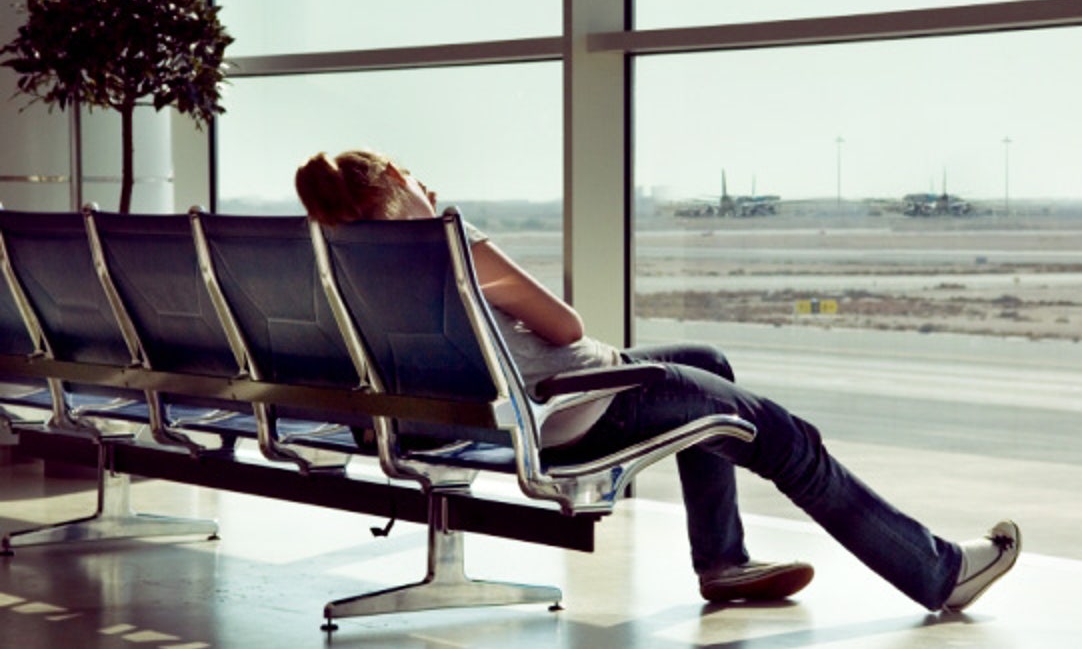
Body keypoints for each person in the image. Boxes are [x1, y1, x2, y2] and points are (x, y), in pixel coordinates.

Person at [294, 149, 1021, 611]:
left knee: (706, 360)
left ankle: (724, 561)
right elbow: (566, 327)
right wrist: (454, 225)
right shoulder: (450, 247)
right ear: (396, 181)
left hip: (492, 418)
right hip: (581, 404)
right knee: (788, 440)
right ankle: (938, 571)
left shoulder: (348, 270)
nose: (428, 179)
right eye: (417, 173)